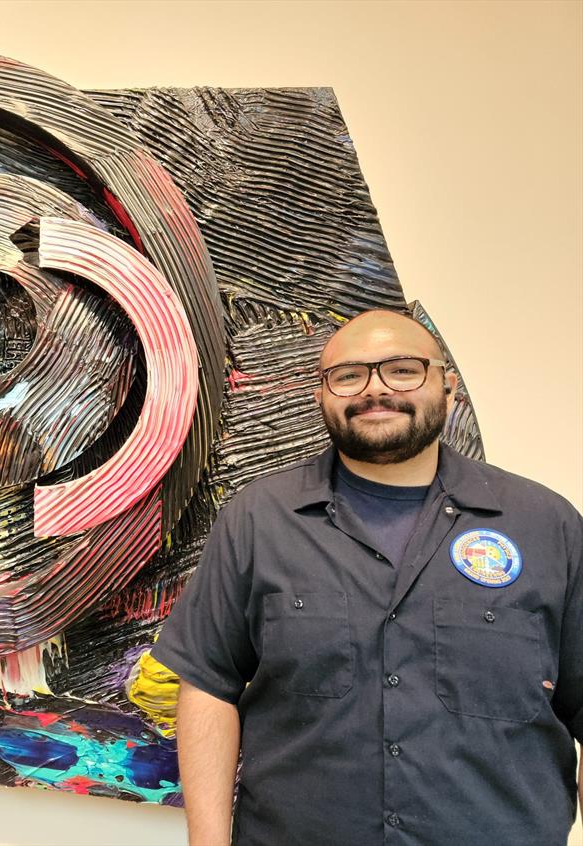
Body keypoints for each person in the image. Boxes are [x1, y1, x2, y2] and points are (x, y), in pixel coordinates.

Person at [152, 309, 583, 845]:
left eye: (403, 370)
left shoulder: (545, 524)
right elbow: (208, 687)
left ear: (448, 387)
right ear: (320, 395)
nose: (375, 389)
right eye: (349, 375)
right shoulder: (259, 519)